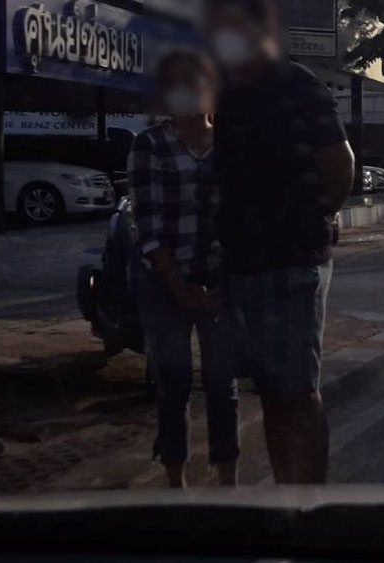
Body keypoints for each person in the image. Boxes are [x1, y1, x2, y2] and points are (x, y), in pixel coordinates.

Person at [205, 0, 355, 484]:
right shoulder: (229, 93)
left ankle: (309, 504)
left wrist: (315, 218)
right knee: (270, 392)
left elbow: (340, 166)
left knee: (296, 391)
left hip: (292, 262)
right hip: (241, 263)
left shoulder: (295, 84)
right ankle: (287, 496)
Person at [128, 50, 239, 488]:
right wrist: (176, 281)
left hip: (218, 280)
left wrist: (220, 279)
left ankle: (228, 478)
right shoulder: (149, 145)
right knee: (172, 379)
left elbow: (239, 216)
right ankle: (175, 480)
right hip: (162, 280)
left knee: (222, 382)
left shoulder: (230, 145)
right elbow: (147, 223)